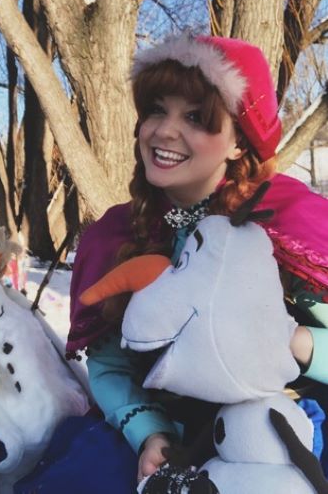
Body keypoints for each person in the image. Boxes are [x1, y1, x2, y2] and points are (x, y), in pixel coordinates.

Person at [63, 34, 328, 489]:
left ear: (238, 144)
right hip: (168, 435)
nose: (164, 131)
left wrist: (293, 342)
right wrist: (149, 432)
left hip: (283, 428)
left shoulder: (287, 222)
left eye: (195, 117)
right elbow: (109, 366)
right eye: (156, 110)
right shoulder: (115, 235)